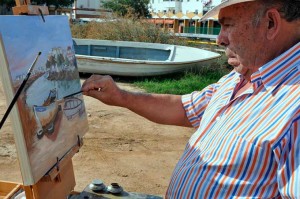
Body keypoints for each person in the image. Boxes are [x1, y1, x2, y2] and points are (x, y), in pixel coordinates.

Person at [81, 0, 300, 198]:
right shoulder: (239, 77)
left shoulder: (295, 107)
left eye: (228, 25)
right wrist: (121, 97)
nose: (219, 39)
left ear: (270, 23)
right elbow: (185, 108)